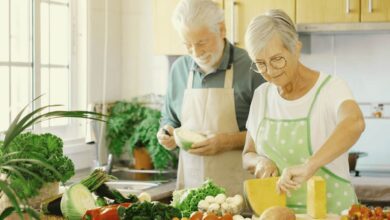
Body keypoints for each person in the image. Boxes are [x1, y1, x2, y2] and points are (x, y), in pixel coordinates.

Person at [242, 9, 365, 214]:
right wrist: (259, 162)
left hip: (332, 214)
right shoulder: (261, 95)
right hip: (279, 215)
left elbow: (355, 123)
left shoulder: (330, 88)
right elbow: (248, 153)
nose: (270, 71)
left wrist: (310, 165)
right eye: (260, 64)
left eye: (277, 59)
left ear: (296, 48)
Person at [156, 0, 264, 195]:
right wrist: (167, 132)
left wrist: (227, 141)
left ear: (222, 30)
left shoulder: (252, 67)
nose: (196, 52)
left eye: (201, 42)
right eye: (187, 45)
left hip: (238, 191)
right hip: (191, 191)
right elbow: (169, 118)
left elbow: (269, 131)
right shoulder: (179, 70)